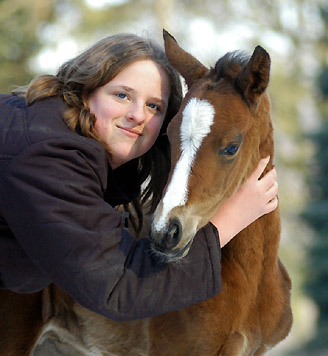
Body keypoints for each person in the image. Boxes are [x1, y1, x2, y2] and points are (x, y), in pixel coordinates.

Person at [0, 33, 278, 322]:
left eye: (154, 106)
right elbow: (118, 286)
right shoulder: (46, 159)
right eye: (122, 95)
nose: (137, 115)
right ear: (87, 88)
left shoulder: (56, 135)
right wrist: (224, 225)